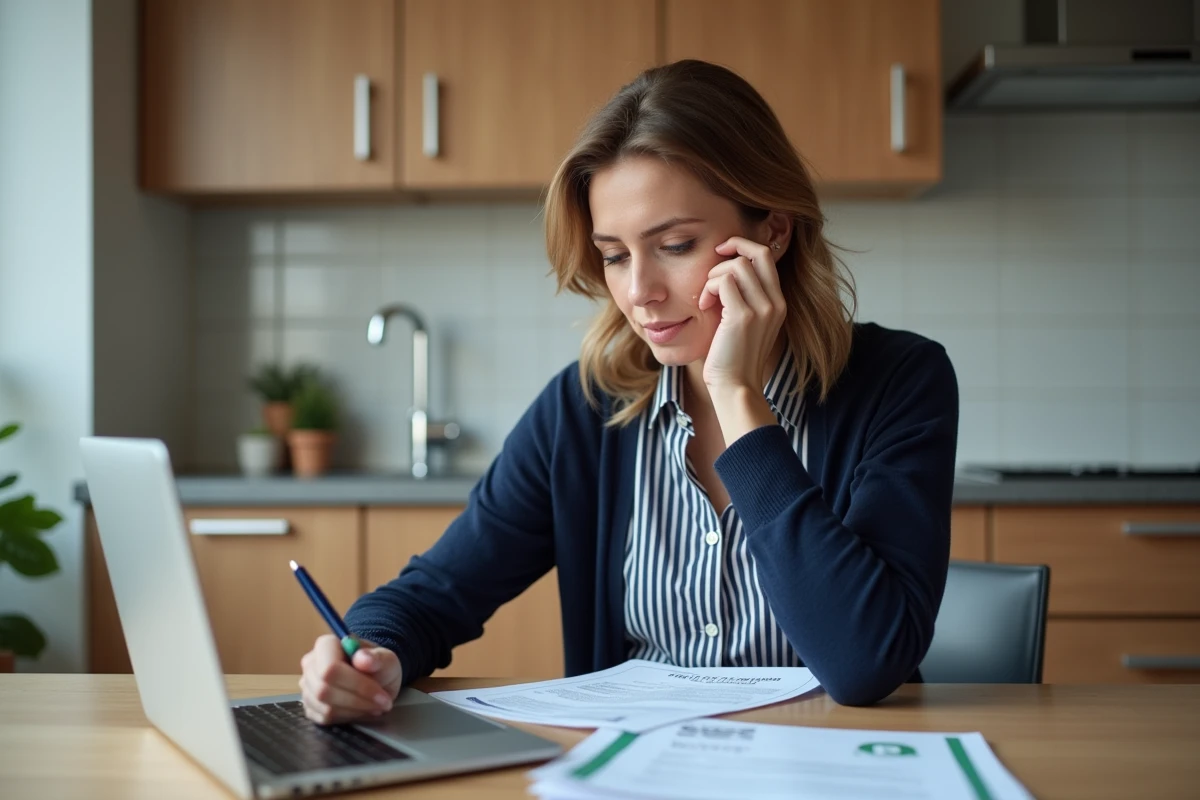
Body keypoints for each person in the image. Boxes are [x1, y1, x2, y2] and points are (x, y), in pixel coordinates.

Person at [298, 59, 958, 721]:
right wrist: (372, 650)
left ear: (773, 233)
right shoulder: (583, 409)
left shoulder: (899, 383)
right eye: (614, 255)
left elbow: (865, 662)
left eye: (674, 244)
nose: (639, 291)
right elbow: (435, 593)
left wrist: (737, 396)